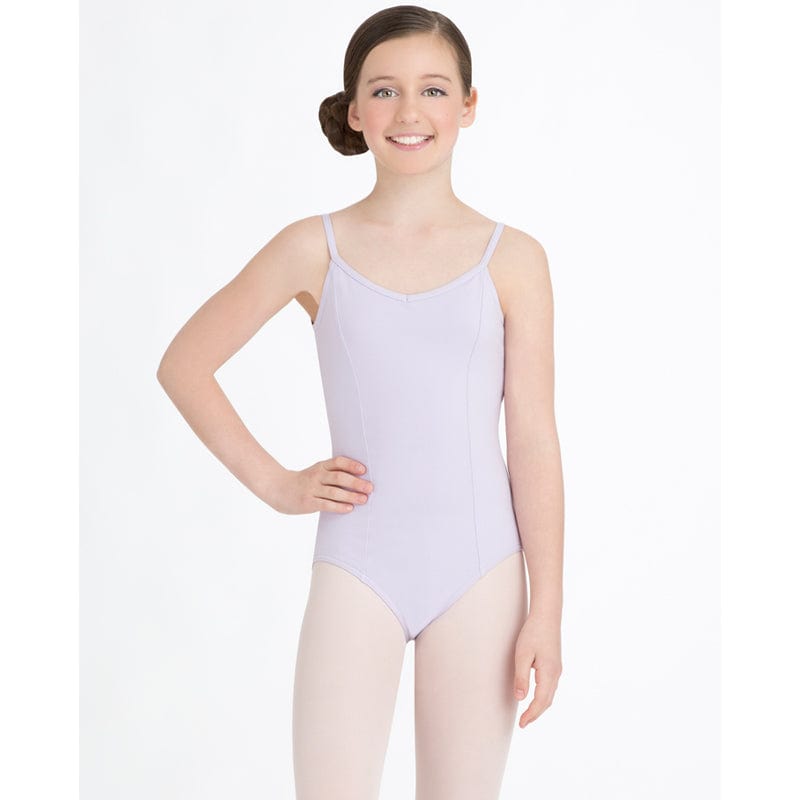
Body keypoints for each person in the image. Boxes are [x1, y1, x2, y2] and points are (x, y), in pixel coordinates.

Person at [157, 5, 564, 798]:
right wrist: (279, 484)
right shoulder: (314, 247)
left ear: (468, 106)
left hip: (483, 570)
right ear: (354, 111)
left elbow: (534, 438)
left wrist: (545, 610)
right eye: (384, 90)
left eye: (433, 89)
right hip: (358, 564)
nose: (409, 111)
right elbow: (185, 364)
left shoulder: (514, 259)